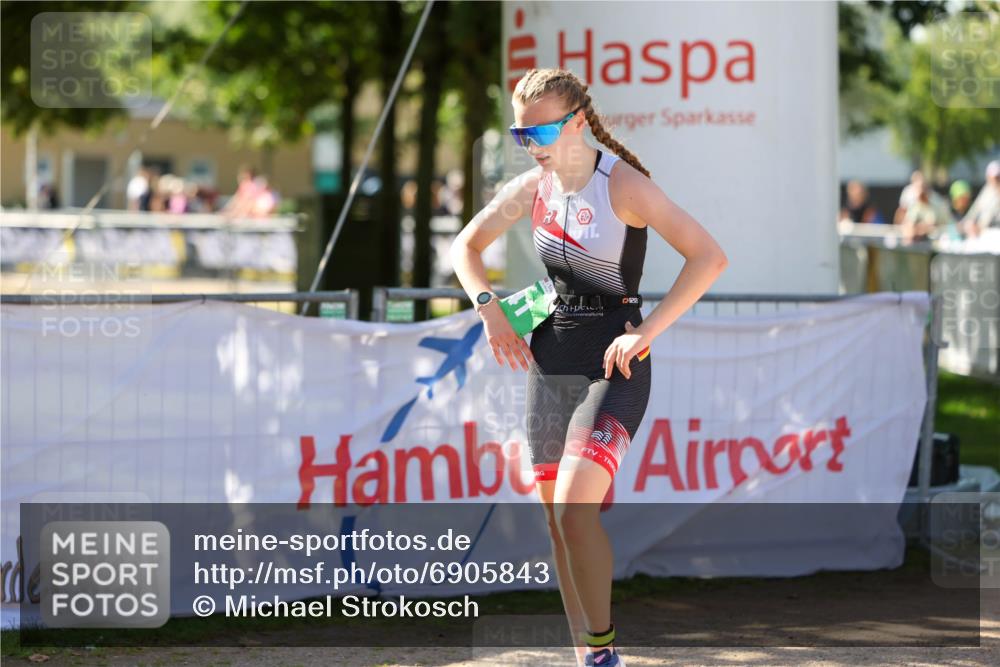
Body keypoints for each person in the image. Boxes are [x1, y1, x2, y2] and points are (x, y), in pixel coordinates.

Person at [450, 67, 728, 667]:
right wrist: (487, 307)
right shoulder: (531, 188)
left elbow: (709, 256)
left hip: (613, 363)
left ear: (577, 121)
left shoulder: (624, 185)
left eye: (542, 132)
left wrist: (648, 332)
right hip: (550, 361)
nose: (533, 147)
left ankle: (604, 654)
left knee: (577, 514)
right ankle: (588, 655)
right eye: (522, 136)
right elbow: (464, 247)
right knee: (557, 523)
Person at [961, 160, 1000, 238]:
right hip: (983, 232)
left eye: (997, 177)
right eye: (993, 177)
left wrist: (980, 226)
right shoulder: (986, 191)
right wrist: (966, 223)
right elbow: (975, 209)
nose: (995, 180)